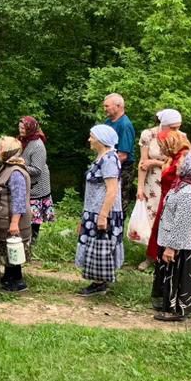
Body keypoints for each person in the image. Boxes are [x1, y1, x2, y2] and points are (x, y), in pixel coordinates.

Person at [152, 148, 191, 321]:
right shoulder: (181, 186)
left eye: (183, 162)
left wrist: (171, 247)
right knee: (169, 276)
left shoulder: (189, 193)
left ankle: (176, 311)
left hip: (180, 246)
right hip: (172, 241)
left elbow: (182, 224)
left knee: (177, 278)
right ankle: (167, 304)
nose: (178, 164)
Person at [75, 124, 124, 296]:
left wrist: (103, 216)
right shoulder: (102, 157)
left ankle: (100, 283)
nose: (89, 139)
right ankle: (98, 281)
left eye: (92, 136)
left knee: (100, 246)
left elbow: (112, 190)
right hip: (94, 210)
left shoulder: (109, 159)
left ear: (101, 140)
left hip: (103, 212)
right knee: (95, 247)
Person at [135, 108, 181, 269]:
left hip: (172, 182)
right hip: (152, 182)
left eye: (178, 127)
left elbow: (180, 165)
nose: (177, 131)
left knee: (168, 218)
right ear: (164, 124)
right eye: (173, 127)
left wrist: (155, 163)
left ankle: (167, 255)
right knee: (151, 218)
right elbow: (143, 163)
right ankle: (150, 256)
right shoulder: (148, 135)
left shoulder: (181, 138)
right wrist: (140, 187)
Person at [0, 136, 31, 292]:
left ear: (7, 151)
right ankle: (8, 277)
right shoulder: (7, 168)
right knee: (8, 250)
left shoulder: (15, 172)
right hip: (4, 219)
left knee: (13, 249)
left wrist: (14, 223)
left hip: (12, 220)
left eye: (0, 148)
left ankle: (17, 282)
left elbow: (19, 200)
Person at [18, 116, 53, 241]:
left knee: (34, 217)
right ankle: (25, 239)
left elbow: (37, 170)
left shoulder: (38, 145)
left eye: (24, 128)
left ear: (30, 128)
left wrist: (20, 165)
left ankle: (33, 241)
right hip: (26, 183)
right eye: (20, 127)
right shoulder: (22, 141)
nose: (21, 130)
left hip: (38, 185)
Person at [102, 92, 137, 172]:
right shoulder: (108, 122)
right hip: (107, 162)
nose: (104, 109)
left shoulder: (125, 125)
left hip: (121, 167)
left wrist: (108, 170)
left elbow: (123, 156)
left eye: (107, 106)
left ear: (118, 106)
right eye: (104, 106)